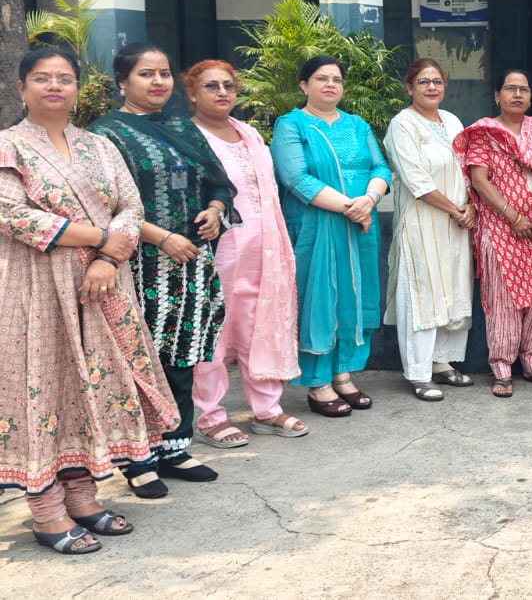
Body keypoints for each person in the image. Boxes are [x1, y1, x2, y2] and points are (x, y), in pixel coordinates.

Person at [0, 48, 178, 555]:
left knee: (90, 390)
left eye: (65, 78)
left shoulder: (99, 146)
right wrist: (99, 239)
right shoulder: (8, 146)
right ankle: (46, 511)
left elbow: (131, 207)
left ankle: (82, 498)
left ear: (78, 88)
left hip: (102, 286)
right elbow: (12, 214)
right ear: (22, 88)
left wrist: (105, 259)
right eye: (42, 78)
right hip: (37, 288)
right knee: (45, 390)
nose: (54, 86)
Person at [91, 43, 235, 499]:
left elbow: (219, 182)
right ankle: (139, 459)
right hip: (138, 264)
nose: (158, 82)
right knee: (139, 358)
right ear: (122, 82)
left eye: (164, 73)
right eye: (146, 74)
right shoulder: (105, 135)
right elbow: (106, 205)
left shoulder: (182, 127)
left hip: (190, 260)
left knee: (182, 352)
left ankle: (175, 447)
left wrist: (215, 210)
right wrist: (162, 238)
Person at [187, 60, 308, 442]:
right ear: (192, 94)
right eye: (211, 86)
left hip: (264, 248)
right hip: (218, 250)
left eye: (228, 85)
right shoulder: (188, 137)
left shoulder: (249, 133)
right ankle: (210, 416)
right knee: (215, 328)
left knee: (261, 323)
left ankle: (267, 410)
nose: (222, 92)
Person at [271, 55, 391, 417]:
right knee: (318, 298)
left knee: (356, 295)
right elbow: (296, 178)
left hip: (360, 227)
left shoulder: (357, 124)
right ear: (304, 85)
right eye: (322, 78)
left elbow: (380, 167)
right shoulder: (291, 125)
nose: (330, 85)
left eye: (336, 79)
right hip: (316, 226)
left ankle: (343, 374)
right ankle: (318, 382)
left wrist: (369, 200)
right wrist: (351, 207)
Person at [455, 70, 532, 398]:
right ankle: (501, 368)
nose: (517, 94)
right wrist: (513, 217)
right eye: (510, 88)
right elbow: (479, 180)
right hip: (501, 230)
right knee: (503, 301)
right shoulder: (484, 132)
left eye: (523, 89)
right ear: (497, 95)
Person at [383, 59, 475, 402]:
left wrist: (470, 206)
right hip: (422, 222)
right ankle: (419, 373)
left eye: (437, 81)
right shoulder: (402, 124)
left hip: (457, 222)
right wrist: (455, 209)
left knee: (451, 289)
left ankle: (441, 362)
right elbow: (416, 180)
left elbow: (467, 169)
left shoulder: (452, 121)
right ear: (409, 88)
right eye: (423, 82)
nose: (432, 87)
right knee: (422, 294)